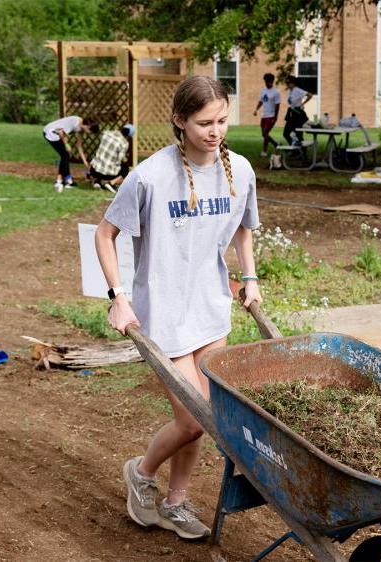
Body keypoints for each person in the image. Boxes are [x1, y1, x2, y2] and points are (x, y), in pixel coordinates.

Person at [95, 76, 262, 541]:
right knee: (194, 419)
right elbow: (104, 235)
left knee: (205, 420)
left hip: (210, 308)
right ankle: (142, 473)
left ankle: (175, 503)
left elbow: (245, 229)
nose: (215, 131)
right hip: (163, 314)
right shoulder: (150, 176)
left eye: (223, 120)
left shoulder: (241, 170)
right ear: (179, 121)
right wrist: (119, 297)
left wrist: (249, 277)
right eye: (204, 122)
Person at [43, 115, 100, 192]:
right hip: (50, 133)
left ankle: (67, 180)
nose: (89, 133)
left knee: (65, 156)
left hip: (57, 134)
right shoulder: (74, 122)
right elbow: (60, 132)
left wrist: (85, 162)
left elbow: (79, 146)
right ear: (87, 126)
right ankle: (60, 181)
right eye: (90, 131)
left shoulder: (80, 128)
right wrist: (67, 145)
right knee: (65, 155)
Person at [90, 124, 135, 193]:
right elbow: (121, 159)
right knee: (125, 168)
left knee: (102, 158)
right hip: (108, 175)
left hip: (93, 170)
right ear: (128, 136)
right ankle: (111, 183)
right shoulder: (124, 143)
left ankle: (97, 181)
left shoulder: (107, 133)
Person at [253, 72, 281, 156]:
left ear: (272, 81)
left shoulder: (276, 92)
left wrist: (275, 117)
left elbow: (277, 105)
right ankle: (276, 144)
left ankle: (264, 151)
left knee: (265, 133)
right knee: (264, 134)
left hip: (271, 116)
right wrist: (256, 109)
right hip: (264, 115)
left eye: (269, 81)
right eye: (266, 81)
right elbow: (261, 101)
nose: (267, 83)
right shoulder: (263, 90)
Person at [283, 75, 313, 146]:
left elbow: (310, 95)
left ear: (293, 83)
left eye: (289, 83)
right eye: (287, 83)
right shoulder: (290, 91)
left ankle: (302, 153)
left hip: (297, 114)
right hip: (291, 113)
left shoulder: (297, 90)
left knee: (298, 135)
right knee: (286, 133)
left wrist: (303, 103)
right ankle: (295, 149)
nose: (288, 84)